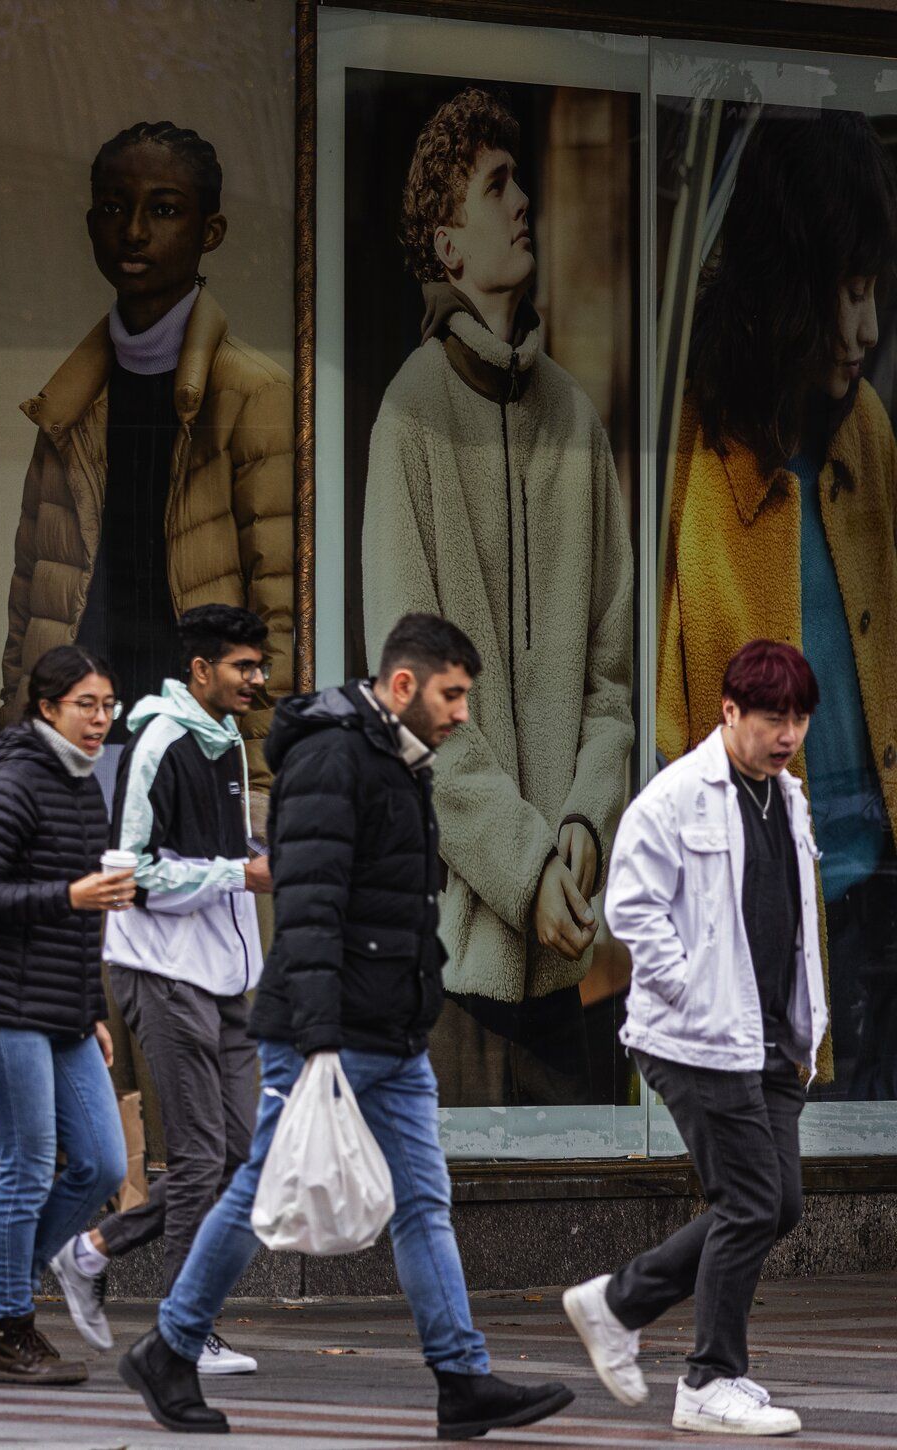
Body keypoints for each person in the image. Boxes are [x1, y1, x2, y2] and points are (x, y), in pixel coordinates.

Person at [119, 613, 574, 1439]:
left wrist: (417, 1002)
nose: (462, 712)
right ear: (402, 686)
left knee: (424, 1202)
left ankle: (462, 1380)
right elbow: (312, 905)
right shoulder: (336, 756)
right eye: (452, 694)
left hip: (390, 1032)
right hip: (328, 1031)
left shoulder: (396, 758)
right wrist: (320, 1039)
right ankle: (170, 1346)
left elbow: (391, 903)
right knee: (260, 1185)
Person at [361, 87, 634, 1107]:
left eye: (517, 179)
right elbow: (415, 705)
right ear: (449, 244)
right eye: (495, 185)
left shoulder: (578, 418)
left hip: (580, 963)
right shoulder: (409, 419)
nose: (522, 202)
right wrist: (526, 872)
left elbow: (611, 685)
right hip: (458, 971)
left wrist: (581, 833)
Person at [659, 111, 897, 1103]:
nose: (869, 328)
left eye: (874, 290)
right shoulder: (693, 455)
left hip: (879, 900)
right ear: (788, 289)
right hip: (764, 924)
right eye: (847, 293)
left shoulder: (867, 431)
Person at [563, 641, 827, 1437]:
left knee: (775, 1206)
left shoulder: (792, 798)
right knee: (749, 1202)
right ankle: (710, 1379)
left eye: (800, 719)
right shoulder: (675, 797)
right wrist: (685, 984)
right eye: (772, 718)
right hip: (695, 1036)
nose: (787, 735)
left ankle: (618, 1302)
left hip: (772, 1036)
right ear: (729, 713)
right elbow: (630, 908)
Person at [0, 121, 293, 798]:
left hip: (198, 757)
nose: (133, 231)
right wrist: (13, 756)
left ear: (209, 231)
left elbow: (280, 617)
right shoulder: (67, 406)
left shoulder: (253, 396)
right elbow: (29, 612)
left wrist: (261, 785)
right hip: (78, 755)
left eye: (163, 209)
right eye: (112, 206)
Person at [56, 604, 271, 1375]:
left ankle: (95, 1247)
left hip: (225, 979)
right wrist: (238, 872)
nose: (257, 679)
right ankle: (184, 1332)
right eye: (243, 667)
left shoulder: (228, 741)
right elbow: (131, 872)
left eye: (259, 665)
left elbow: (213, 846)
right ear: (202, 670)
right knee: (202, 1157)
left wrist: (257, 853)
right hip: (163, 971)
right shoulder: (160, 739)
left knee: (246, 1157)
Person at [0, 644, 134, 1386]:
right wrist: (69, 897)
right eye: (86, 704)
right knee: (27, 1166)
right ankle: (11, 1331)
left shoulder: (85, 787)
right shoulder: (14, 783)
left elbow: (81, 923)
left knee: (103, 1162)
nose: (100, 719)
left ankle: (0, 1289)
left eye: (108, 705)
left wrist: (93, 1009)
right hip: (1, 1006)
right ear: (47, 708)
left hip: (60, 1007)